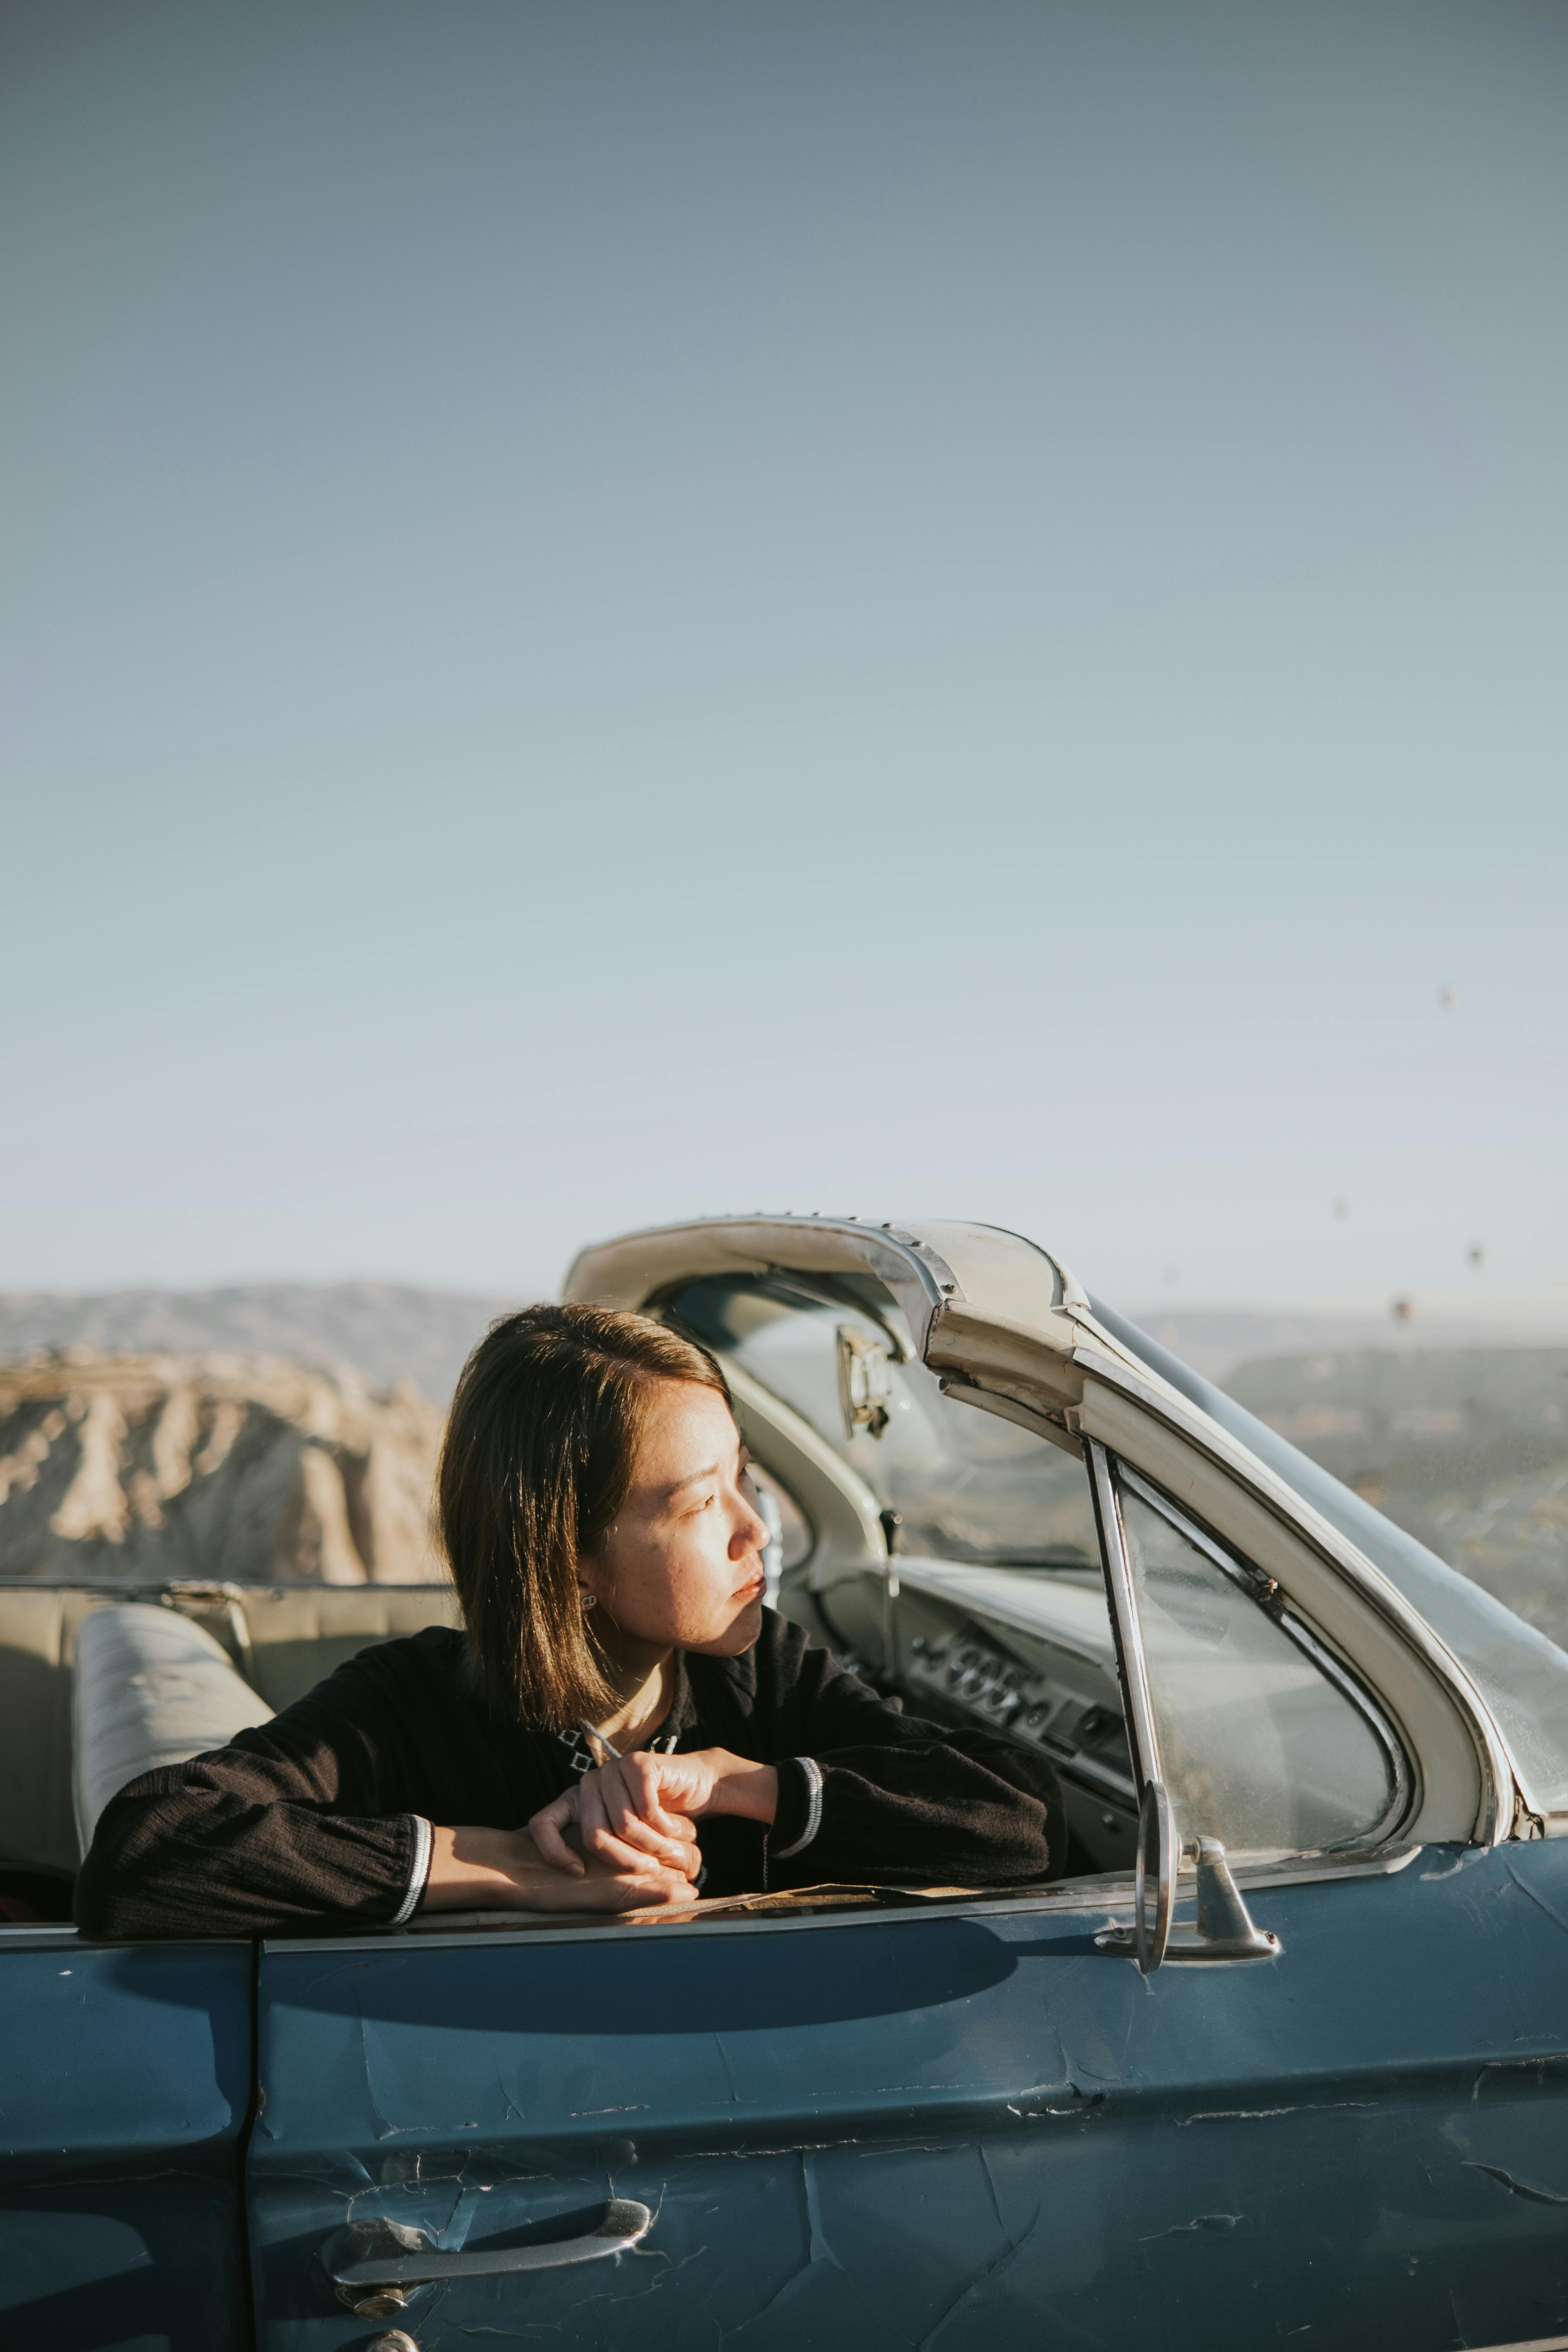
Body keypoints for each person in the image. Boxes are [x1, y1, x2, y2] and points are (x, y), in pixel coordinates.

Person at [75, 1306, 1065, 1938]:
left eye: (745, 1481)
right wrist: (515, 1869)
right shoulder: (408, 1703)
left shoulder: (763, 1676)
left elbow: (1020, 1822)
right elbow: (147, 1851)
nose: (754, 1528)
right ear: (569, 1560)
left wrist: (735, 1784)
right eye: (696, 1502)